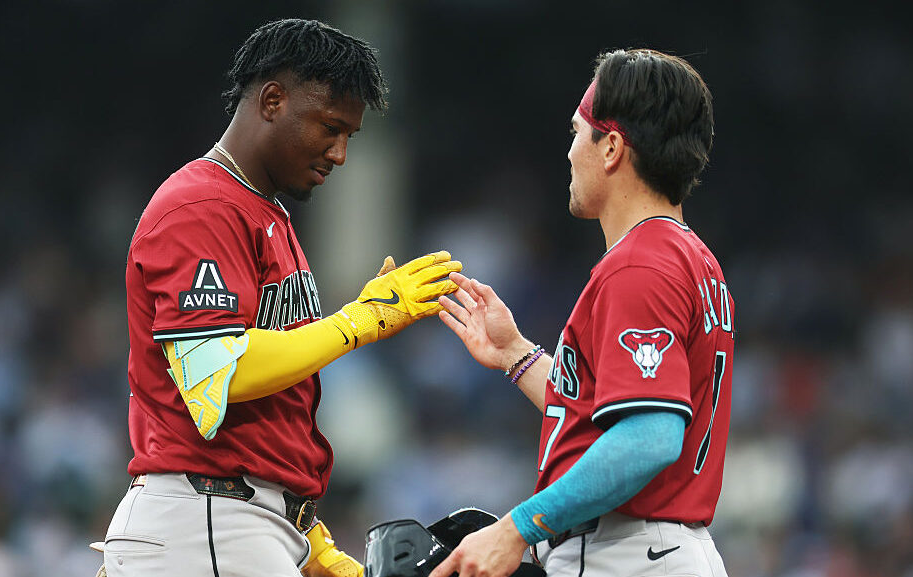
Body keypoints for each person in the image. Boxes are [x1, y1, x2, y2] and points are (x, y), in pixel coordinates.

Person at [99, 19, 461, 577]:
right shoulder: (201, 206)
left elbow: (273, 411)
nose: (340, 153)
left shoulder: (263, 211)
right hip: (208, 523)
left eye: (349, 136)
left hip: (236, 522)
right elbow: (218, 376)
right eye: (330, 127)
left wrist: (307, 534)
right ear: (273, 100)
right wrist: (359, 321)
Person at [431, 49, 732, 577]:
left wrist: (516, 527)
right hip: (658, 549)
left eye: (577, 132)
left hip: (632, 553)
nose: (570, 151)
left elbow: (650, 436)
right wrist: (515, 354)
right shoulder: (687, 255)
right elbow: (603, 409)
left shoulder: (640, 265)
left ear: (612, 146)